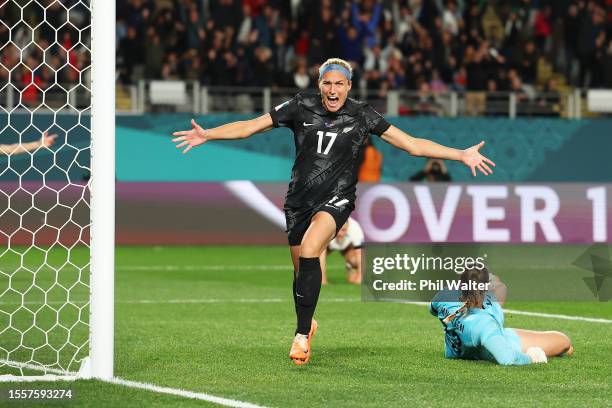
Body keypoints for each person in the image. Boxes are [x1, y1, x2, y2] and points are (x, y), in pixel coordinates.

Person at [172, 57, 495, 365]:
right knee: (302, 273)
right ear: (319, 84)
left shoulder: (362, 114)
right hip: (298, 200)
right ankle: (307, 323)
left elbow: (410, 144)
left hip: (337, 199)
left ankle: (300, 336)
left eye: (339, 83)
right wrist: (208, 134)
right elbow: (251, 126)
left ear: (349, 86)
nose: (332, 90)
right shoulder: (300, 105)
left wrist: (460, 154)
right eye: (327, 83)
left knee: (313, 250)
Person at [430, 266, 573, 365]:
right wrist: (532, 357)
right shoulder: (485, 325)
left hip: (457, 350)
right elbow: (508, 358)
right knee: (564, 341)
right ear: (485, 288)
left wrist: (457, 322)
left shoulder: (444, 295)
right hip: (503, 341)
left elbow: (433, 310)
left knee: (500, 288)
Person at [321, 217, 364, 285]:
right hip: (327, 246)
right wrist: (323, 280)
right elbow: (321, 254)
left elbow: (359, 253)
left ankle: (350, 267)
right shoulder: (326, 227)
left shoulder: (355, 227)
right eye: (339, 230)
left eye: (343, 230)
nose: (340, 234)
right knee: (316, 258)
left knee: (355, 260)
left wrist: (359, 278)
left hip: (347, 247)